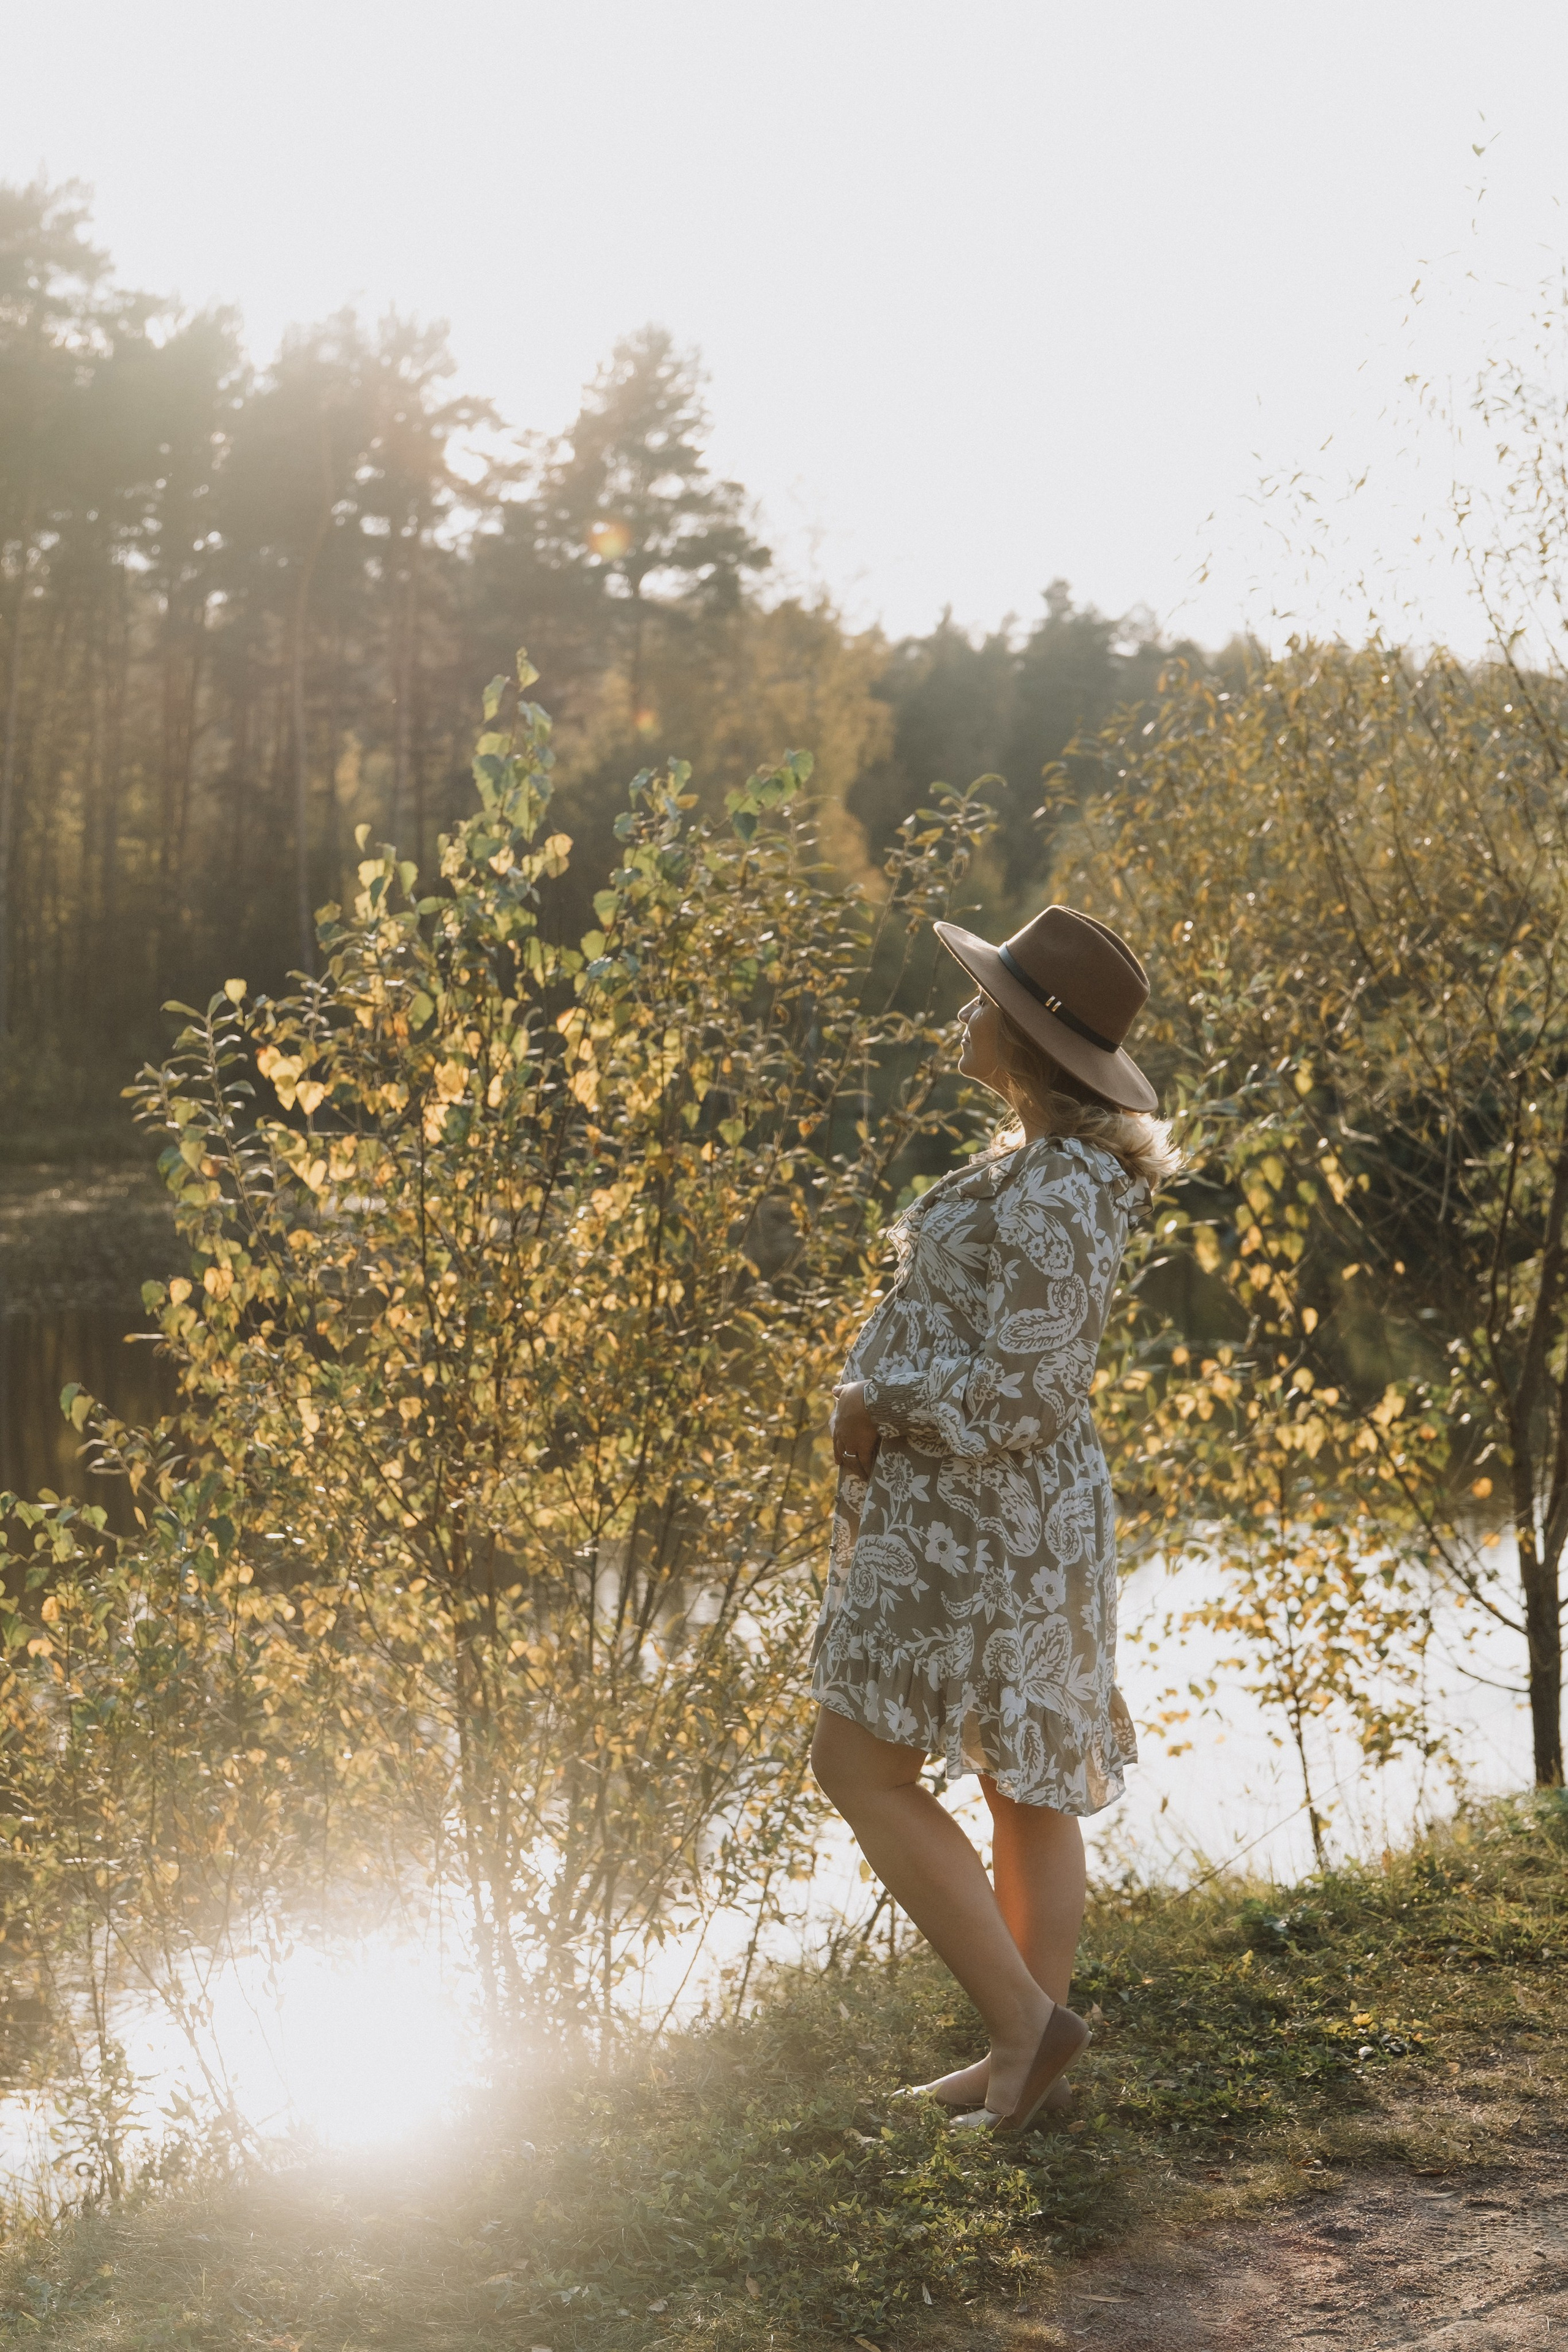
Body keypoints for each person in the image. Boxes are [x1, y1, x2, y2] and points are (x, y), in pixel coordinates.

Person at [809, 903, 1178, 2134]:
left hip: (991, 1525)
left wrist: (878, 1399)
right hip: (974, 1517)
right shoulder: (1036, 1168)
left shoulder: (1063, 1185)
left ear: (1028, 1038)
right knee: (1023, 1783)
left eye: (990, 1000)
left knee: (858, 1765)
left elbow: (1024, 1393)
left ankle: (1026, 2029)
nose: (968, 1011)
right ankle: (1025, 2060)